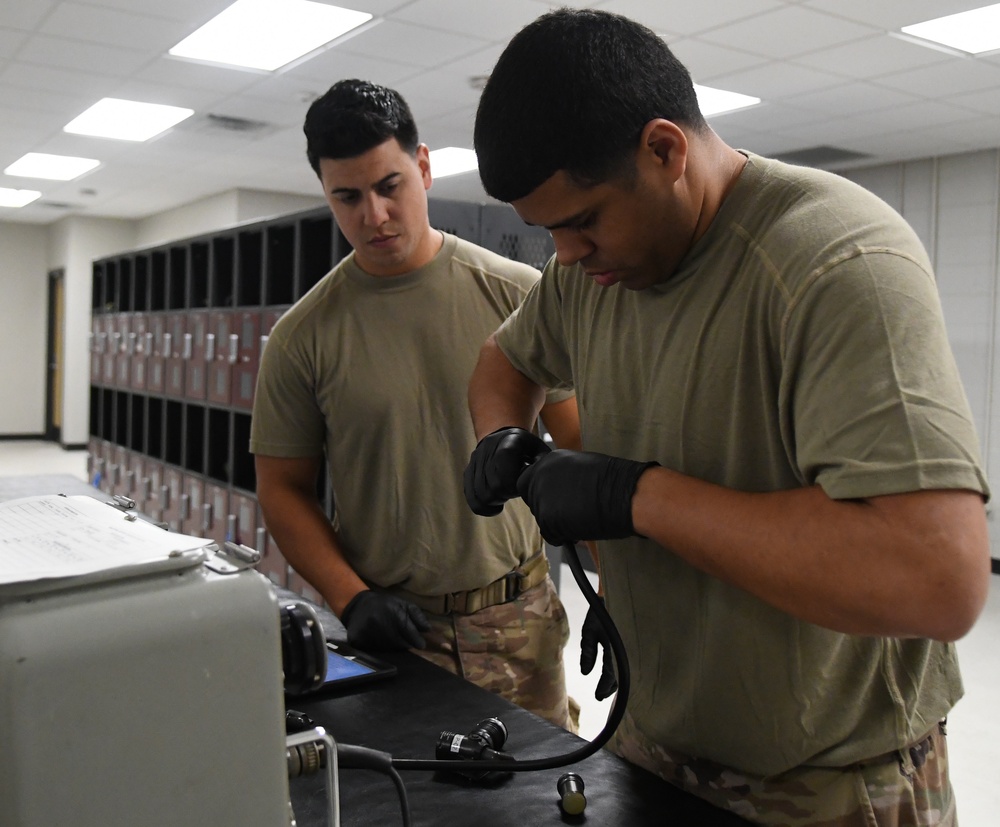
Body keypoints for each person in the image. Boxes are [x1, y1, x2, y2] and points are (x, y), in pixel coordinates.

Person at [463, 8, 991, 826]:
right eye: (548, 232)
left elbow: (935, 576)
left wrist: (634, 497)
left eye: (584, 219)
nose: (564, 254)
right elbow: (505, 363)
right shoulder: (590, 272)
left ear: (665, 150)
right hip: (651, 744)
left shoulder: (836, 260)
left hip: (829, 782)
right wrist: (504, 440)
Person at [250, 78, 580, 730]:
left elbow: (580, 446)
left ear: (423, 166)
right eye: (348, 196)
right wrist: (351, 598)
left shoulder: (518, 293)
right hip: (397, 628)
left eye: (389, 186)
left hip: (521, 622)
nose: (372, 214)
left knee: (541, 800)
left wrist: (625, 596)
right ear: (326, 194)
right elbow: (283, 488)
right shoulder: (303, 335)